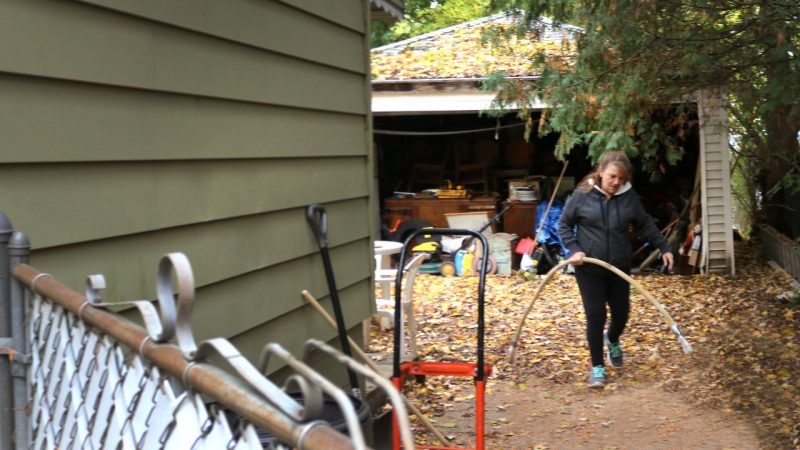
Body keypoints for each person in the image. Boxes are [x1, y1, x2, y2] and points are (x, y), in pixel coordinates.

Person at [558, 151, 674, 388]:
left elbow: (645, 224)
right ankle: (597, 367)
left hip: (619, 266)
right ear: (600, 171)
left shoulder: (628, 197)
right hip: (589, 267)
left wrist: (664, 247)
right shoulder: (582, 196)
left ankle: (611, 339)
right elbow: (564, 225)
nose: (616, 182)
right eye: (612, 176)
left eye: (621, 178)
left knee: (621, 314)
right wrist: (574, 250)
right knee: (595, 316)